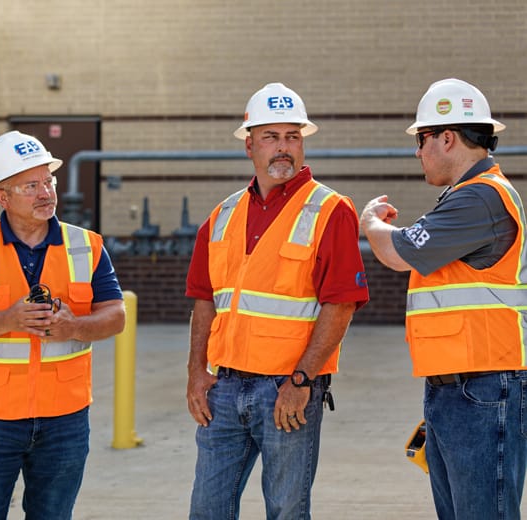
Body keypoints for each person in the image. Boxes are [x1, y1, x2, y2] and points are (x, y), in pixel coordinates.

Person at [185, 82, 369, 519]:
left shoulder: (330, 209)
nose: (283, 148)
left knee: (287, 510)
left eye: (293, 137)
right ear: (250, 145)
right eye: (271, 137)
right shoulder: (223, 215)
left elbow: (340, 305)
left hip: (287, 390)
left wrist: (301, 382)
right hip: (224, 389)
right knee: (207, 509)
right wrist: (196, 371)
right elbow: (204, 299)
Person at [0, 130, 125, 520]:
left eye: (48, 181)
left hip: (65, 418)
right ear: (2, 196)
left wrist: (75, 328)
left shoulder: (86, 245)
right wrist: (7, 319)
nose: (45, 193)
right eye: (30, 185)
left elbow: (115, 316)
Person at [360, 78, 527, 519]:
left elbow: (397, 251)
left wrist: (371, 222)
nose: (418, 151)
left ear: (447, 138)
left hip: (482, 389)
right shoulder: (468, 196)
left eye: (422, 139)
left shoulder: (480, 198)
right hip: (461, 388)